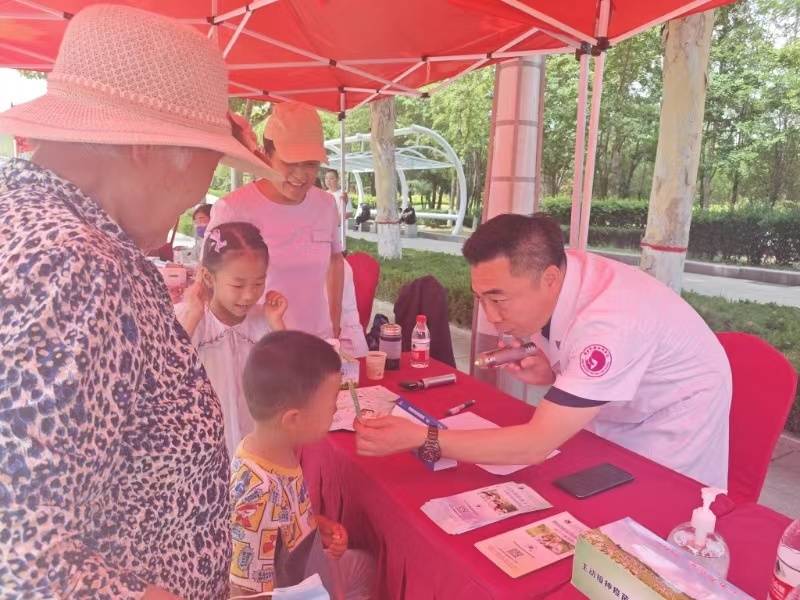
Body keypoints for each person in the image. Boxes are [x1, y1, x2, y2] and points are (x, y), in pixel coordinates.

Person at [0, 5, 280, 599]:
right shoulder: (74, 263)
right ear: (146, 148)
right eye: (203, 168)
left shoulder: (32, 220)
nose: (199, 197)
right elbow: (22, 557)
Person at [356, 213, 732, 488]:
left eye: (499, 299)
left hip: (670, 434)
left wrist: (424, 438)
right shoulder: (568, 271)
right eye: (480, 299)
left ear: (549, 278)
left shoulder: (609, 322)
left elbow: (535, 444)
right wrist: (554, 375)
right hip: (619, 418)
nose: (491, 317)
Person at [230, 331, 374, 598]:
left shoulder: (277, 449)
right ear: (293, 419)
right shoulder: (257, 496)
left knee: (365, 566)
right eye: (331, 402)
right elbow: (246, 593)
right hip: (299, 591)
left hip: (311, 566)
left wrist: (315, 525)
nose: (335, 409)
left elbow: (286, 524)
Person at [207, 102, 345, 340]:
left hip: (316, 337)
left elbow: (335, 261)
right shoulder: (233, 208)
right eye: (290, 163)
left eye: (311, 164)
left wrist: (334, 321)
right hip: (256, 342)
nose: (301, 175)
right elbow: (209, 279)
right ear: (267, 155)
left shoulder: (326, 205)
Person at [175, 222, 288, 456]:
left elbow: (290, 376)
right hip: (203, 449)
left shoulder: (263, 321)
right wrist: (192, 316)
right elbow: (167, 372)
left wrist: (277, 323)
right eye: (237, 284)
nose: (249, 295)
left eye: (259, 283)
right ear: (208, 276)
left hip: (254, 447)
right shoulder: (193, 321)